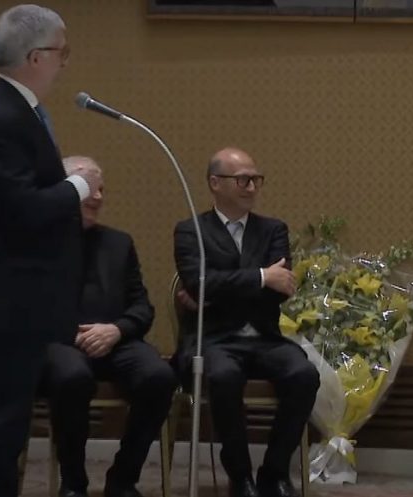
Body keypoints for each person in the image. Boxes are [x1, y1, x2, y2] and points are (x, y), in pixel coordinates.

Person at [0, 5, 102, 497]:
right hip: (10, 292)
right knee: (2, 417)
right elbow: (23, 209)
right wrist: (78, 185)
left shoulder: (16, 108)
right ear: (37, 57)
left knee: (9, 418)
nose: (65, 63)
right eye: (62, 52)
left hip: (23, 293)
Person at [173, 147, 318, 497]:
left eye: (256, 179)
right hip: (215, 338)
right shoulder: (191, 230)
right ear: (215, 183)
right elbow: (197, 282)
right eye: (242, 180)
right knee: (224, 376)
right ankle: (240, 476)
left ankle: (274, 472)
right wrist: (259, 277)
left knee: (304, 375)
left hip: (265, 337)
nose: (251, 187)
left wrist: (222, 288)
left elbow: (281, 289)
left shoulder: (272, 230)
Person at [43, 156, 176, 497]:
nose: (99, 197)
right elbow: (24, 307)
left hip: (116, 339)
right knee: (73, 377)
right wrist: (70, 333)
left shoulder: (119, 243)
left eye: (102, 189)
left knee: (160, 377)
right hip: (59, 341)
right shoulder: (37, 243)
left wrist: (116, 330)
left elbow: (141, 307)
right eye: (90, 188)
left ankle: (123, 478)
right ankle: (73, 483)